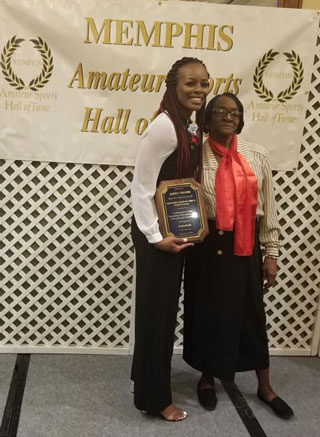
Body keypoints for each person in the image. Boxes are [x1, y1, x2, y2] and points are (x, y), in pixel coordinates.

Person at [183, 92, 294, 419]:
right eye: (219, 111)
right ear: (208, 117)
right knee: (207, 312)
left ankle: (265, 386)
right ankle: (206, 378)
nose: (227, 116)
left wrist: (271, 253)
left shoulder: (256, 154)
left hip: (245, 245)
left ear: (241, 118)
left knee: (252, 315)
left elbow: (268, 208)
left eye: (234, 112)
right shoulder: (194, 153)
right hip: (206, 244)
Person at [131, 57, 210, 421]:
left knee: (161, 314)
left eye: (204, 83)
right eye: (191, 83)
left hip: (171, 232)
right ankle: (154, 398)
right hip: (157, 235)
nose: (199, 90)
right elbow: (142, 187)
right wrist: (154, 236)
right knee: (157, 317)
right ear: (173, 86)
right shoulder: (165, 127)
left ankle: (145, 379)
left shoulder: (189, 125)